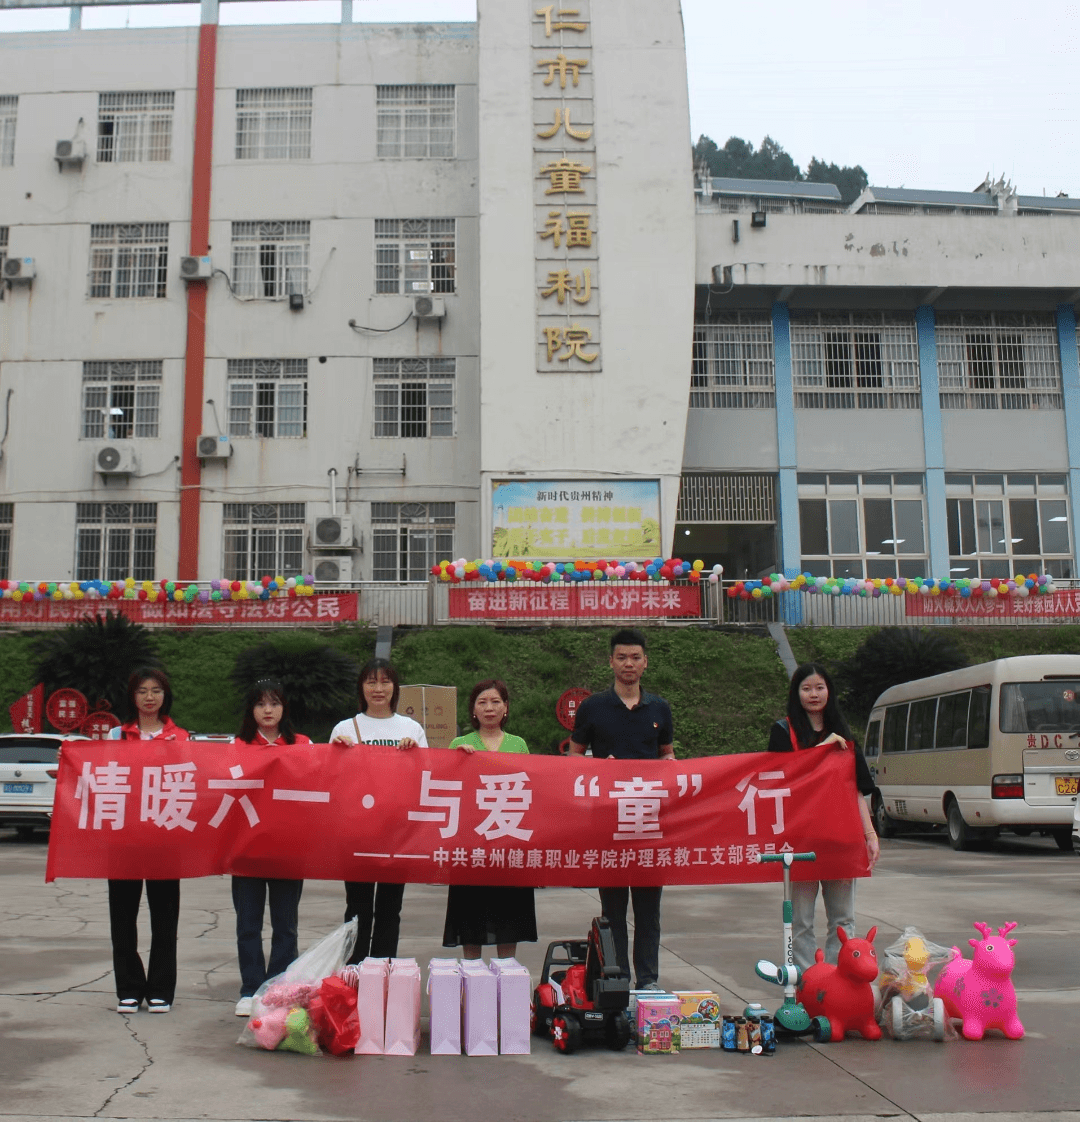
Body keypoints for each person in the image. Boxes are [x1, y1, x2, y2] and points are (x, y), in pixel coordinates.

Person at [569, 628, 674, 989]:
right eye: (622, 657)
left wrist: (672, 769)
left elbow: (667, 755)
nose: (629, 663)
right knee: (612, 911)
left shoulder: (659, 708)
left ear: (645, 662)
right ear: (611, 662)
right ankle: (616, 981)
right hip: (608, 823)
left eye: (635, 657)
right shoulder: (593, 707)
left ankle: (647, 982)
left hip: (648, 823)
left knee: (649, 911)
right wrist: (599, 767)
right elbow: (573, 757)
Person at [767, 662, 880, 972]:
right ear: (796, 693)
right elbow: (779, 780)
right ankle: (806, 982)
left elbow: (856, 790)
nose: (813, 694)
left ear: (829, 691)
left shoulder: (843, 733)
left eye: (819, 687)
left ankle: (838, 980)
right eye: (806, 688)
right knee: (801, 920)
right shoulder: (783, 732)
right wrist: (822, 749)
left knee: (843, 919)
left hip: (841, 839)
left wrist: (870, 835)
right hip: (801, 840)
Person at [329, 658, 425, 963]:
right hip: (358, 832)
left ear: (395, 687)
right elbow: (331, 779)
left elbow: (425, 777)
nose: (378, 689)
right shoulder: (345, 728)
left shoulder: (411, 728)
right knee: (357, 907)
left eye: (385, 682)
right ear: (362, 688)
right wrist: (337, 752)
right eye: (371, 682)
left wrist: (415, 755)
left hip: (397, 832)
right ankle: (353, 971)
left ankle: (383, 970)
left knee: (390, 907)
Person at [230, 679, 312, 1017]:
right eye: (261, 703)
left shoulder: (303, 744)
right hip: (247, 849)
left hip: (287, 849)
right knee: (248, 924)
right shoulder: (237, 746)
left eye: (275, 703)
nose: (268, 710)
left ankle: (278, 989)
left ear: (284, 708)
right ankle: (250, 989)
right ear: (251, 709)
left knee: (285, 925)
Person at [107, 668, 187, 1014]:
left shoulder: (180, 737)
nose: (149, 697)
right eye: (142, 691)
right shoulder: (116, 735)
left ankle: (160, 990)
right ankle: (128, 988)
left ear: (165, 696)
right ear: (132, 697)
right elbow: (100, 774)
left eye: (156, 690)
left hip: (165, 838)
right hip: (124, 839)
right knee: (122, 917)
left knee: (165, 919)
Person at [442, 679, 537, 960]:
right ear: (473, 709)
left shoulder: (518, 744)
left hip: (509, 845)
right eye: (482, 702)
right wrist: (457, 761)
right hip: (472, 846)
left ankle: (506, 976)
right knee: (471, 919)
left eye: (496, 701)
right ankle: (472, 977)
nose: (489, 708)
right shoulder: (459, 744)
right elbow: (446, 787)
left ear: (506, 707)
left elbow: (532, 789)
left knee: (508, 918)